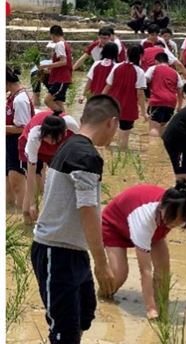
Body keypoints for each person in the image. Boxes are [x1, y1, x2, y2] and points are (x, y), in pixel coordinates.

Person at [31, 95, 120, 344]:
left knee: (83, 317)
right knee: (64, 332)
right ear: (111, 123)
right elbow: (87, 208)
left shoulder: (72, 146)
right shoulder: (85, 155)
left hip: (73, 250)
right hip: (56, 252)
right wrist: (101, 262)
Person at [101, 181, 186, 319]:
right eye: (171, 220)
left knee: (163, 269)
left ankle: (162, 308)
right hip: (115, 225)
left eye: (178, 223)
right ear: (161, 206)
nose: (173, 225)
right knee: (119, 275)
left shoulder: (179, 205)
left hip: (155, 227)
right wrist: (150, 309)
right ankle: (102, 298)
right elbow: (145, 270)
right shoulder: (144, 218)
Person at [19, 110, 80, 223]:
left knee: (60, 179)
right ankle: (27, 217)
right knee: (35, 181)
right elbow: (31, 174)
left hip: (58, 150)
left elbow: (82, 150)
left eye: (54, 139)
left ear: (64, 133)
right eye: (47, 138)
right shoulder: (35, 136)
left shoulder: (73, 128)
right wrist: (32, 203)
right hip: (32, 147)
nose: (50, 142)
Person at [103, 45, 147, 150]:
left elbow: (108, 86)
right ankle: (122, 156)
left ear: (127, 54)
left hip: (112, 104)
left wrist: (100, 101)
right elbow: (140, 94)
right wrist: (144, 112)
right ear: (140, 56)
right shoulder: (139, 71)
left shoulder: (116, 67)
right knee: (124, 135)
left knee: (110, 130)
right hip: (128, 106)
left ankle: (107, 152)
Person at [6, 67, 34, 210]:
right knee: (7, 183)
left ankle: (25, 214)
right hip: (8, 142)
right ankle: (10, 215)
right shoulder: (12, 95)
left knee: (17, 184)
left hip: (17, 143)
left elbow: (24, 128)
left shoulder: (20, 100)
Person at [144, 52, 184, 136]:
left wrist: (147, 96)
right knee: (163, 128)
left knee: (154, 127)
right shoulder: (175, 73)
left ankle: (153, 148)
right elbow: (180, 91)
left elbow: (144, 81)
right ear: (167, 62)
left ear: (156, 61)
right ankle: (160, 147)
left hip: (157, 100)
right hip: (171, 103)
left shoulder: (153, 68)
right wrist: (179, 106)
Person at [40, 25, 72, 112]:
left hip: (61, 78)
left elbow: (63, 62)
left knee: (47, 100)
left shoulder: (59, 44)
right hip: (62, 77)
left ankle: (60, 116)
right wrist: (49, 69)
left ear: (53, 35)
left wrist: (46, 66)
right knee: (58, 102)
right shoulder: (65, 44)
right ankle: (64, 121)